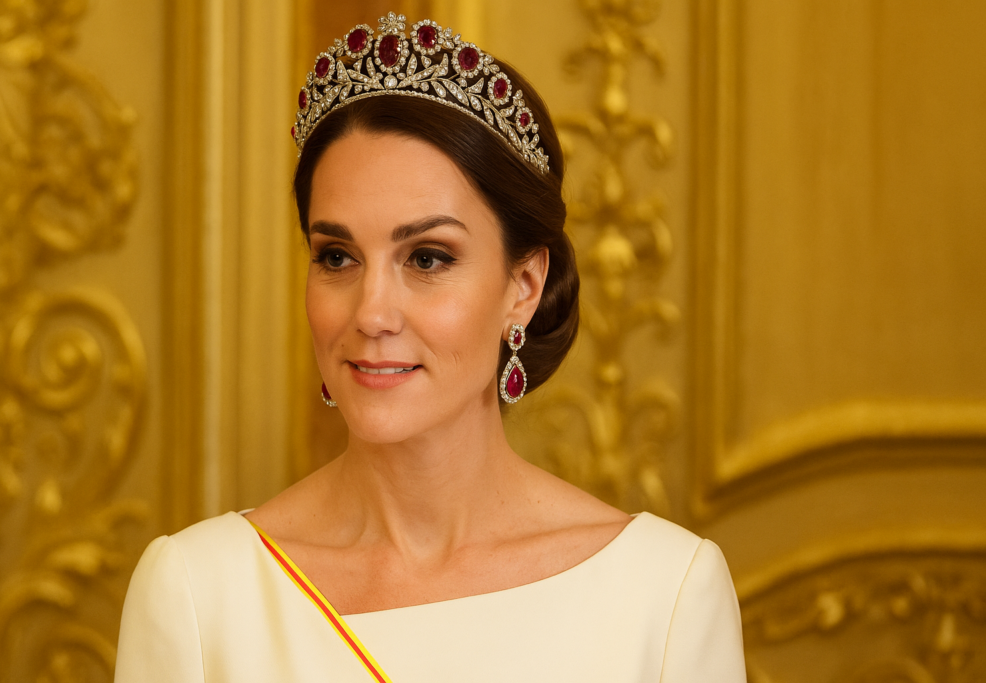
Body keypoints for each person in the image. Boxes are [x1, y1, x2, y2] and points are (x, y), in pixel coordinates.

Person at [115, 12, 746, 682]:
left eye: (427, 257)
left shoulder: (664, 594)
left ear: (523, 285)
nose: (371, 312)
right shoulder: (197, 593)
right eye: (337, 256)